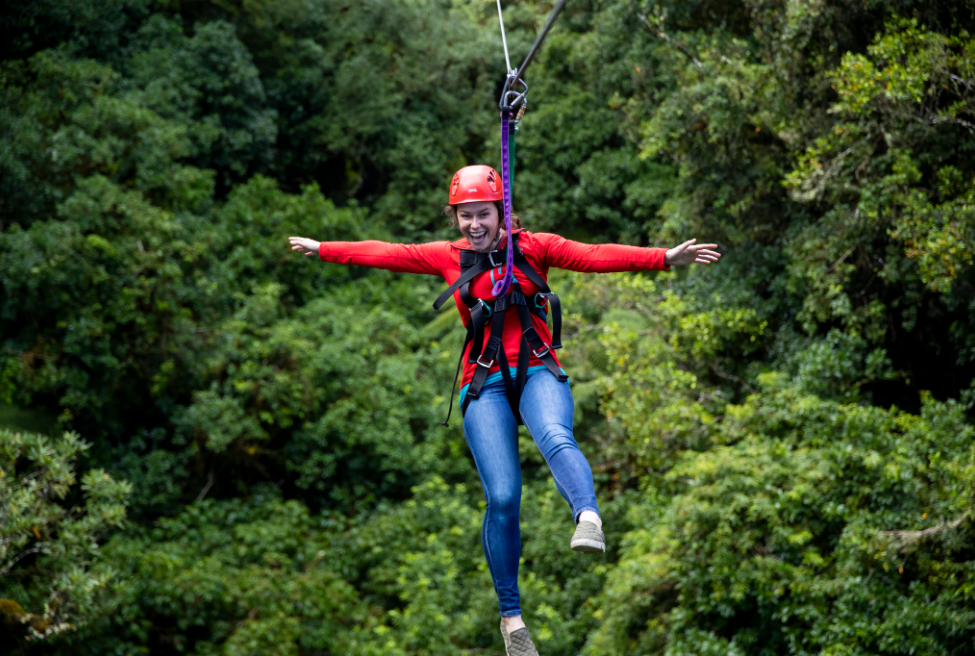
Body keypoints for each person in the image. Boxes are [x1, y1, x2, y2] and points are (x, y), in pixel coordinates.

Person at [288, 165, 721, 655]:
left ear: (502, 212)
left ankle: (588, 517)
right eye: (466, 215)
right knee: (503, 497)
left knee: (556, 434)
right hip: (485, 381)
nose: (475, 224)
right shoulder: (448, 257)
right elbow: (387, 253)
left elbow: (595, 255)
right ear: (456, 218)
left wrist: (664, 257)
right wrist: (324, 249)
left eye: (484, 214)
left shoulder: (533, 246)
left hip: (536, 367)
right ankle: (512, 621)